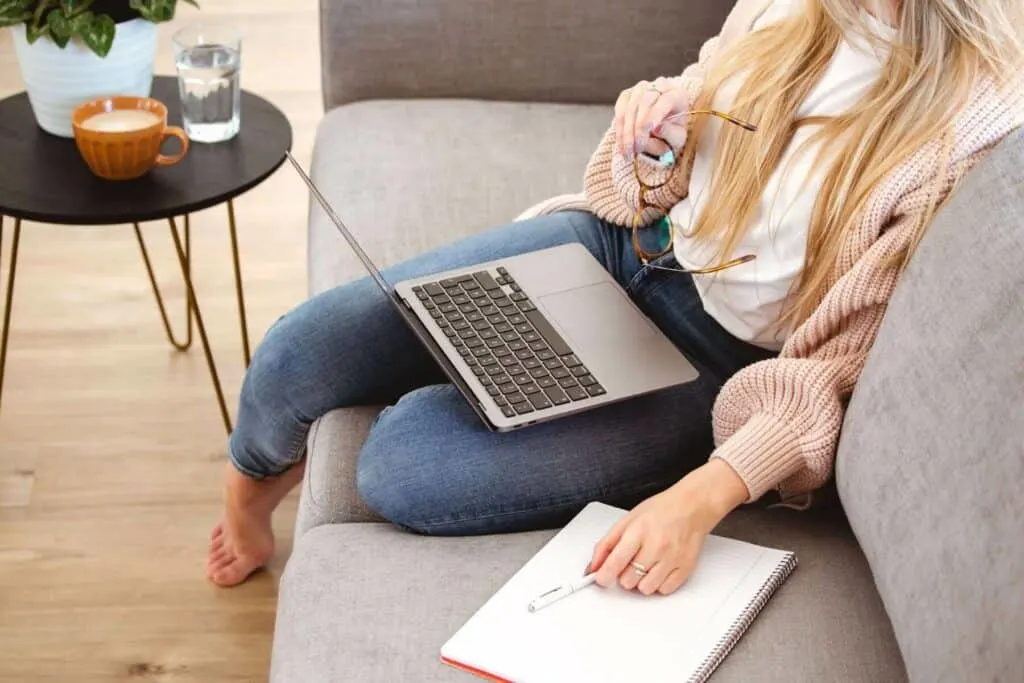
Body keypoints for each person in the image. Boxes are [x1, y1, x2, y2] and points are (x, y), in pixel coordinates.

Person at [206, 0, 1024, 589]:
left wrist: (701, 498)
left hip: (708, 364)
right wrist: (649, 142)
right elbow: (660, 164)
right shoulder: (788, 8)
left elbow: (836, 369)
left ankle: (495, 383)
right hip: (616, 247)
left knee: (399, 463)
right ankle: (253, 489)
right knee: (293, 354)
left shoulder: (969, 123)